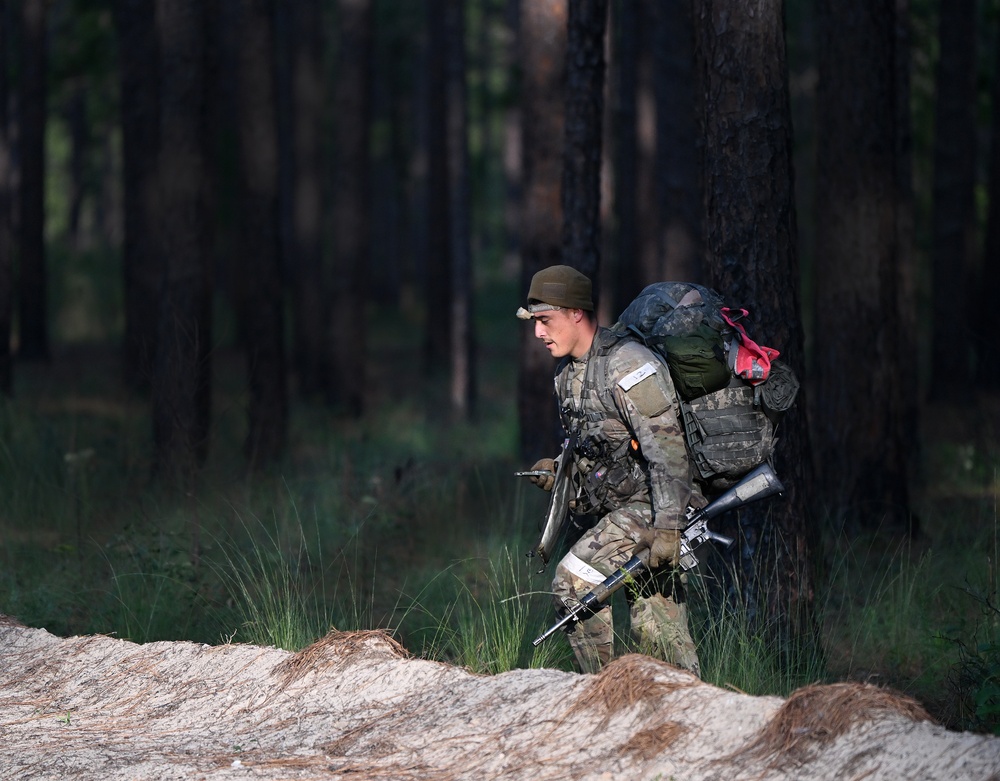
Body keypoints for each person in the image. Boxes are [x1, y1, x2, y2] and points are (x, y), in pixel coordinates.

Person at [517, 264, 704, 675]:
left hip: (656, 507)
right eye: (534, 322)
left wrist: (669, 528)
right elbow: (598, 448)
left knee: (573, 583)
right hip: (625, 509)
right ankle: (673, 710)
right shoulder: (567, 374)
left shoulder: (628, 364)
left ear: (576, 314)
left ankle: (602, 693)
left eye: (545, 321)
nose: (538, 333)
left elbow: (669, 452)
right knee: (659, 628)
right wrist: (560, 471)